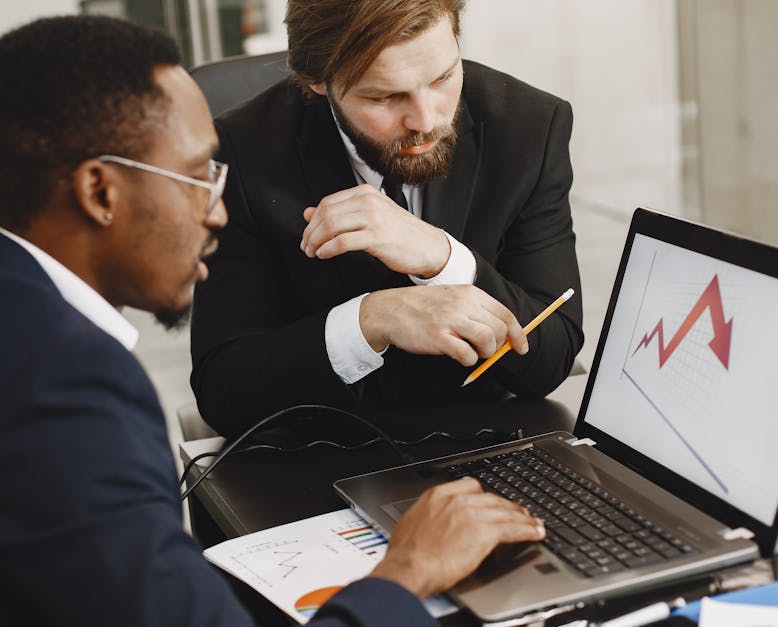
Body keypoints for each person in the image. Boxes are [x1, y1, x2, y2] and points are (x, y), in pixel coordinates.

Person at [0, 15, 545, 627]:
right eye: (200, 176)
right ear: (100, 190)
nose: (219, 210)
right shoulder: (63, 388)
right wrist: (405, 571)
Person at [191, 0, 584, 437]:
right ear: (317, 81)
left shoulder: (530, 126)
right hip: (318, 456)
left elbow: (553, 356)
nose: (426, 119)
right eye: (385, 96)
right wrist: (370, 320)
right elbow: (222, 389)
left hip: (483, 437)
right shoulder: (242, 151)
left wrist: (443, 259)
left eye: (443, 78)